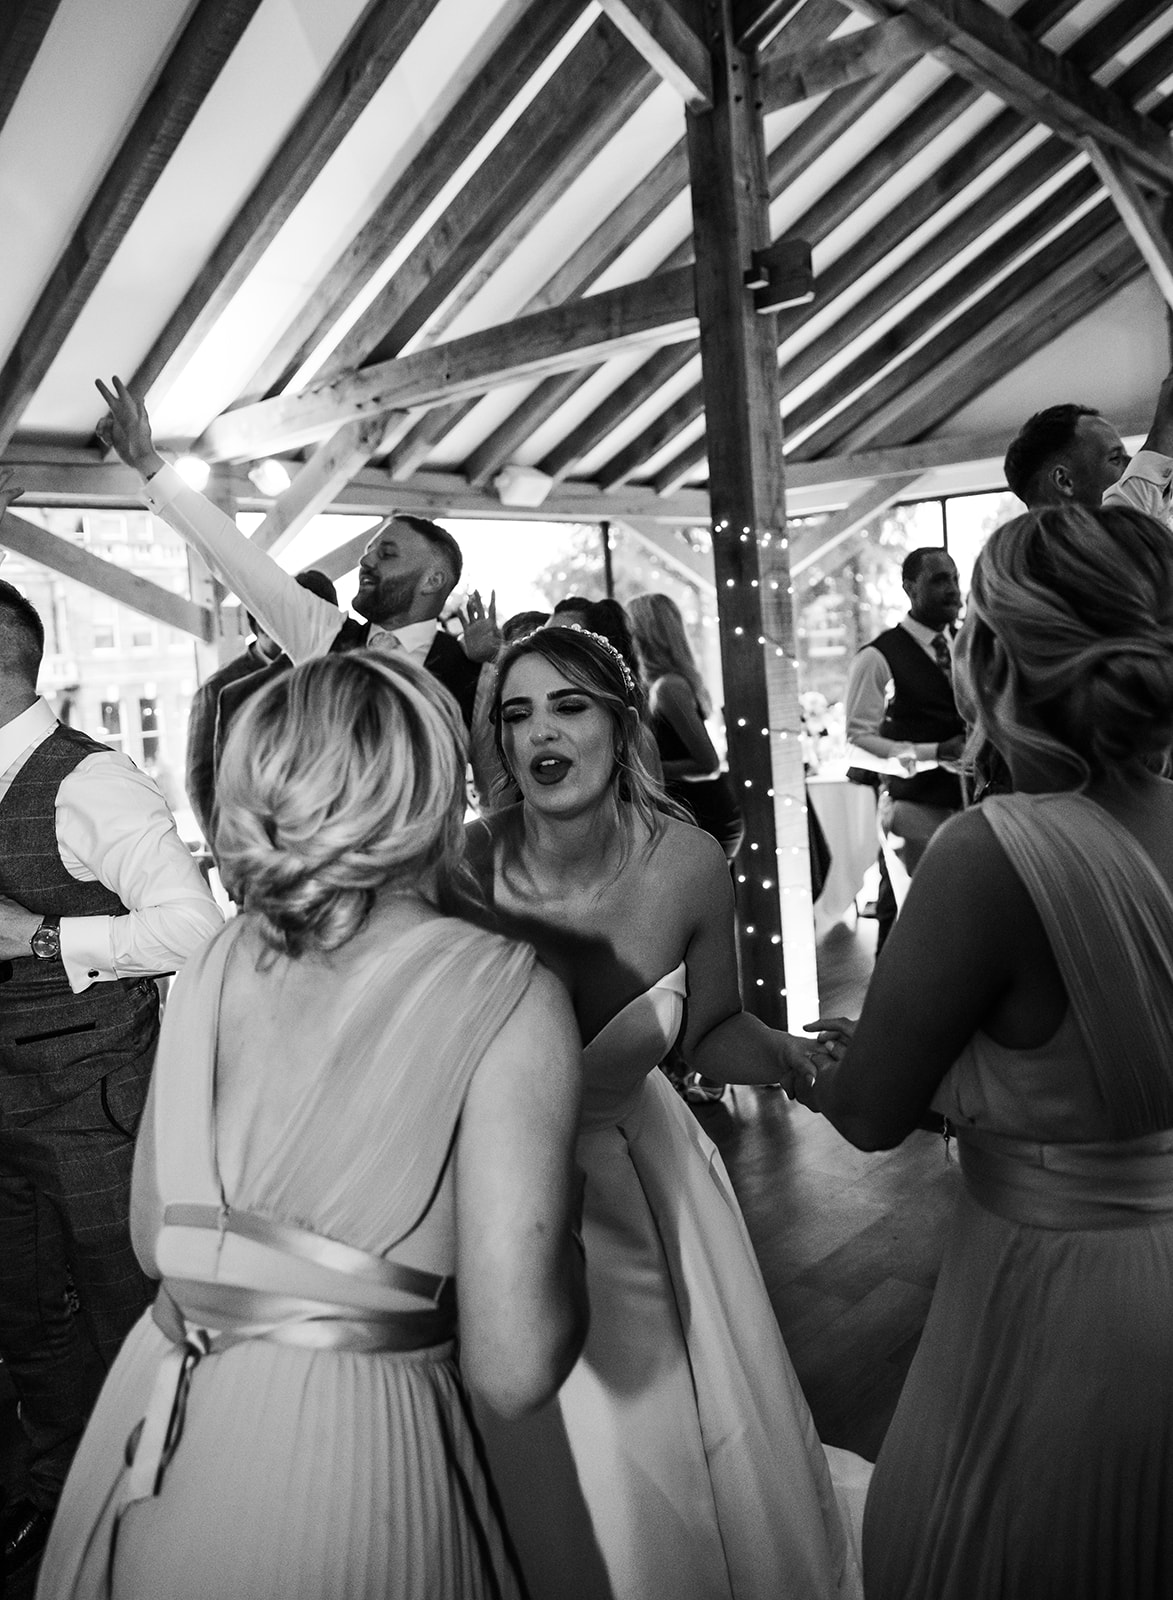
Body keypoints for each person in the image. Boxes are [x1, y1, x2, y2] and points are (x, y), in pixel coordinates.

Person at [36, 650, 587, 1599]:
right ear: (430, 783)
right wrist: (566, 1235)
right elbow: (514, 1368)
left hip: (162, 1421)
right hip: (354, 1448)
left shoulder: (216, 960)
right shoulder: (510, 992)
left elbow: (152, 1236)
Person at [794, 503, 1173, 1599]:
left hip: (1055, 1295)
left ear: (995, 655)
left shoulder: (990, 853)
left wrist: (829, 1063)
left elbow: (869, 1112)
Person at [466, 622, 867, 1600]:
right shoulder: (465, 864)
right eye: (518, 714)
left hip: (634, 1180)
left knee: (652, 1437)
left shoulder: (686, 861)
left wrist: (803, 1059)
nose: (541, 733)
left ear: (620, 722)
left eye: (569, 705)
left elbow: (711, 1028)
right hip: (492, 1188)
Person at [0, 473, 223, 1582]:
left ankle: (162, 1525)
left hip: (96, 1112)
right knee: (27, 1321)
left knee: (130, 1321)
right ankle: (60, 1509)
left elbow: (196, 928)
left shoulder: (88, 781)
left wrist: (42, 938)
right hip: (5, 1113)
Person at [95, 378, 486, 728]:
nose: (366, 561)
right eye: (368, 551)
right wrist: (148, 462)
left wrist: (491, 666)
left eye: (387, 553)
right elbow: (233, 556)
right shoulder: (324, 635)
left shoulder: (469, 670)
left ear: (433, 579)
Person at [844, 547, 964, 949]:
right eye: (939, 580)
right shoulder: (878, 657)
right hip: (915, 811)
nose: (952, 589)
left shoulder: (968, 646)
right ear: (910, 589)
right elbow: (857, 745)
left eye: (954, 578)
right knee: (923, 931)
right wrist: (933, 753)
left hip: (976, 807)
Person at [184, 571, 337, 845]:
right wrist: (232, 861)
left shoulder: (334, 675)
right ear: (264, 621)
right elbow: (202, 786)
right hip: (259, 848)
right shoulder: (220, 690)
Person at [627, 591, 744, 861]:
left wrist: (648, 766)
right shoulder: (662, 685)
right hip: (693, 811)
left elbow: (708, 763)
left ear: (645, 635)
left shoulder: (669, 687)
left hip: (704, 814)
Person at [1003, 367, 1173, 522]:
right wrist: (1165, 427)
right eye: (1115, 458)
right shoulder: (1045, 553)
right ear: (1064, 481)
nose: (1132, 464)